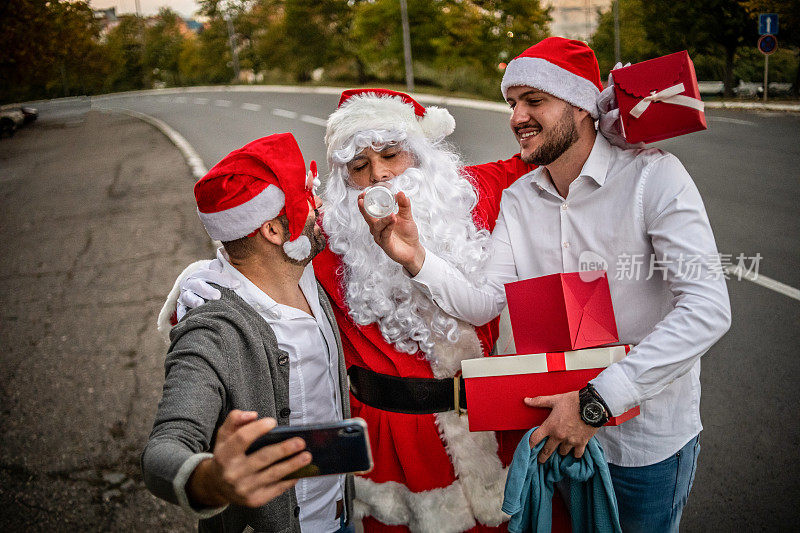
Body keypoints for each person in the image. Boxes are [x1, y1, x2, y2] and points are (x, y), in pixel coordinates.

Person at [358, 37, 732, 532]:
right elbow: (483, 303)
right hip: (558, 433)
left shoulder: (653, 178)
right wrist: (415, 257)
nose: (517, 117)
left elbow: (707, 308)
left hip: (645, 445)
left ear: (580, 106)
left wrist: (596, 402)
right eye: (512, 103)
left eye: (535, 100)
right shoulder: (519, 200)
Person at [161, 89, 537, 532]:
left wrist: (617, 110)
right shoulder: (328, 239)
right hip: (398, 451)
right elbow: (256, 255)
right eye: (359, 167)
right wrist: (202, 280)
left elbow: (564, 149)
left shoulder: (476, 191)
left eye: (392, 154)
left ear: (421, 152)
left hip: (500, 425)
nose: (378, 175)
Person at [142, 133, 354, 533]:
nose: (319, 206)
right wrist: (213, 481)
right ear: (274, 230)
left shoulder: (307, 274)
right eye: (307, 200)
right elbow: (162, 451)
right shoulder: (213, 329)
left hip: (342, 517)